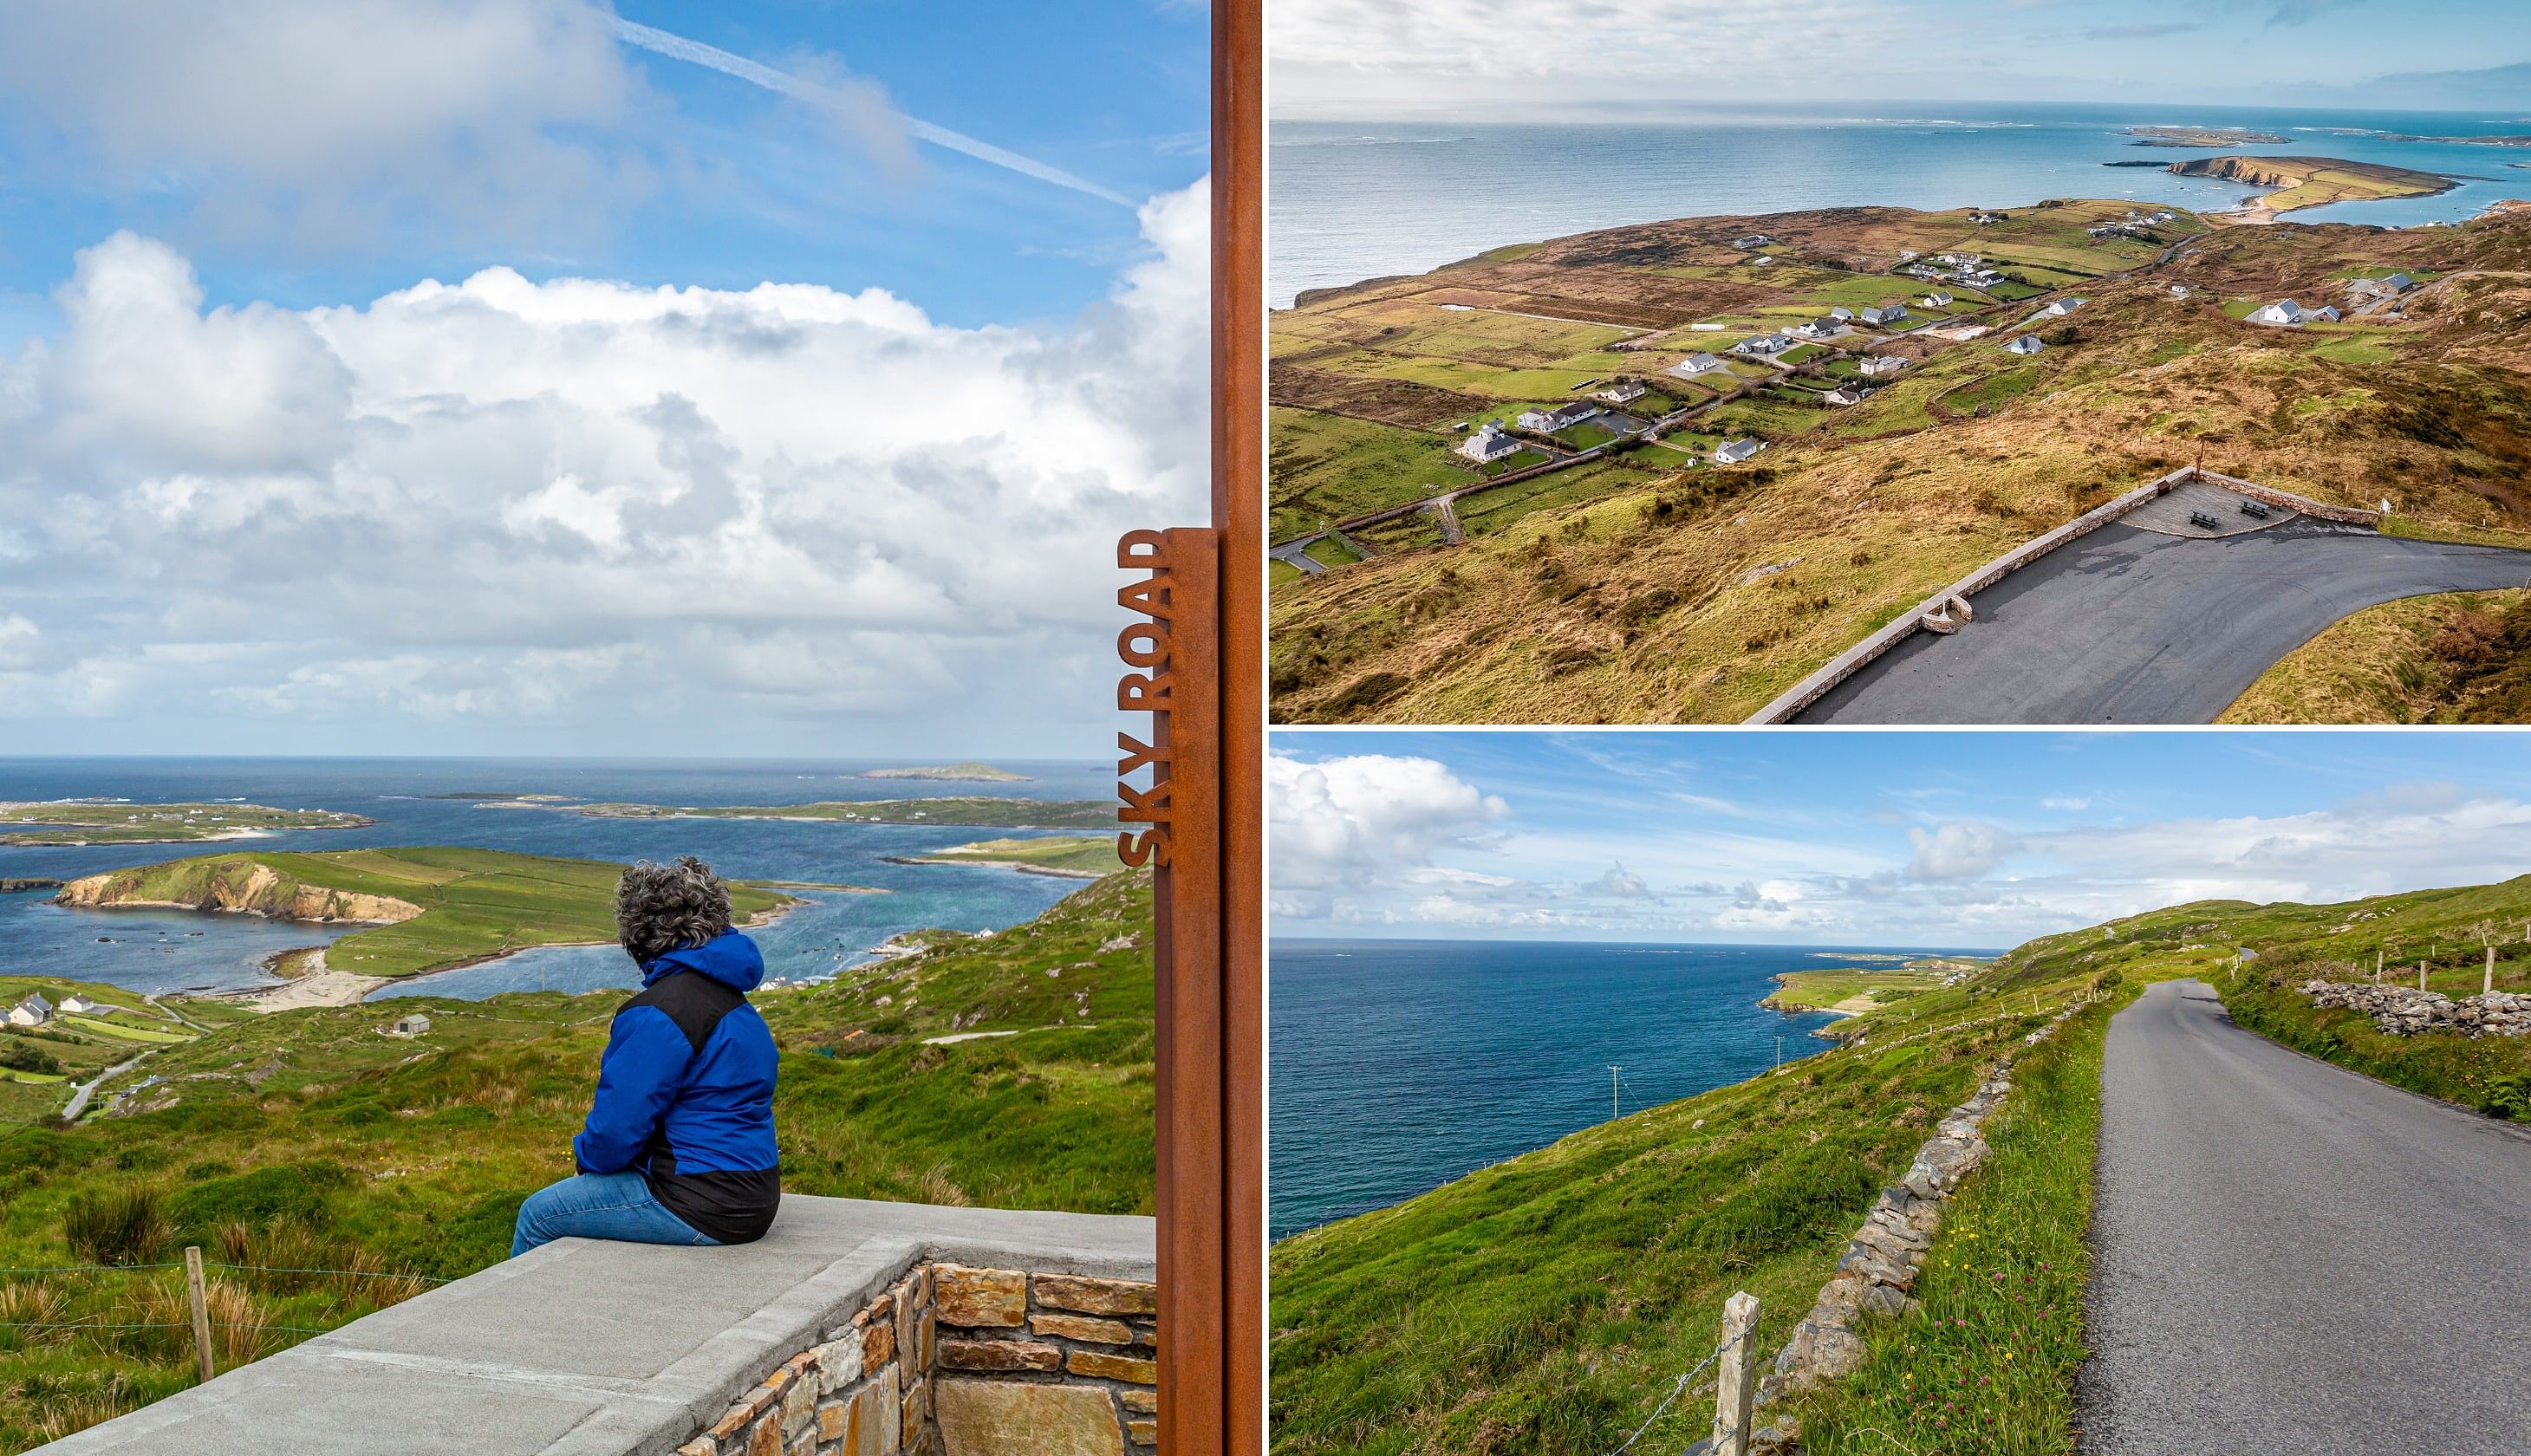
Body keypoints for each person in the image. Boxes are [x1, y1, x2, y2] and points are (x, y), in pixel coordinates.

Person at [511, 856, 782, 1257]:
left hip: (698, 1201)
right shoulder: (737, 1006)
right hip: (756, 1197)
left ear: (639, 934)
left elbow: (614, 1133)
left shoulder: (660, 1012)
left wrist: (585, 1165)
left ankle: (517, 1321)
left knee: (538, 1216)